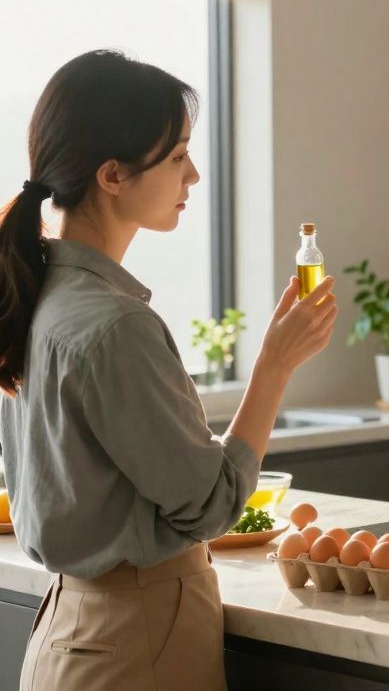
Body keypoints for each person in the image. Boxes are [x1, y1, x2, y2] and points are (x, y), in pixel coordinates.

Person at [0, 50, 338, 689]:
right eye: (179, 156)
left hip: (70, 631)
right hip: (136, 638)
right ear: (113, 175)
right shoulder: (114, 324)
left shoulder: (38, 294)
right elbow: (211, 505)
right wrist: (273, 365)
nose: (196, 175)